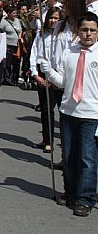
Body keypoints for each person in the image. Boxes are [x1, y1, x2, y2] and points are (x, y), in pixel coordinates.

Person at [42, 12, 98, 217]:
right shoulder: (70, 52)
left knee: (87, 158)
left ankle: (86, 198)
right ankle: (71, 192)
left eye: (92, 30)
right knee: (68, 156)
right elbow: (63, 82)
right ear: (78, 31)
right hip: (68, 111)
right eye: (84, 30)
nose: (88, 34)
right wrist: (48, 70)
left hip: (92, 115)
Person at [30, 6, 63, 153]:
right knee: (45, 108)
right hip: (42, 73)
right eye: (51, 17)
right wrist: (35, 73)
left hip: (57, 74)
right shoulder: (41, 34)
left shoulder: (62, 36)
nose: (53, 21)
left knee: (62, 110)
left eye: (56, 18)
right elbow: (34, 53)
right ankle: (47, 140)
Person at [0, 5, 22, 86]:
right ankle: (5, 78)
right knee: (6, 62)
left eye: (16, 13)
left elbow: (19, 30)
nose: (15, 14)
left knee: (13, 62)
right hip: (7, 44)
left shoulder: (17, 21)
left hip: (16, 44)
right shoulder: (3, 22)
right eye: (14, 13)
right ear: (8, 13)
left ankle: (11, 77)